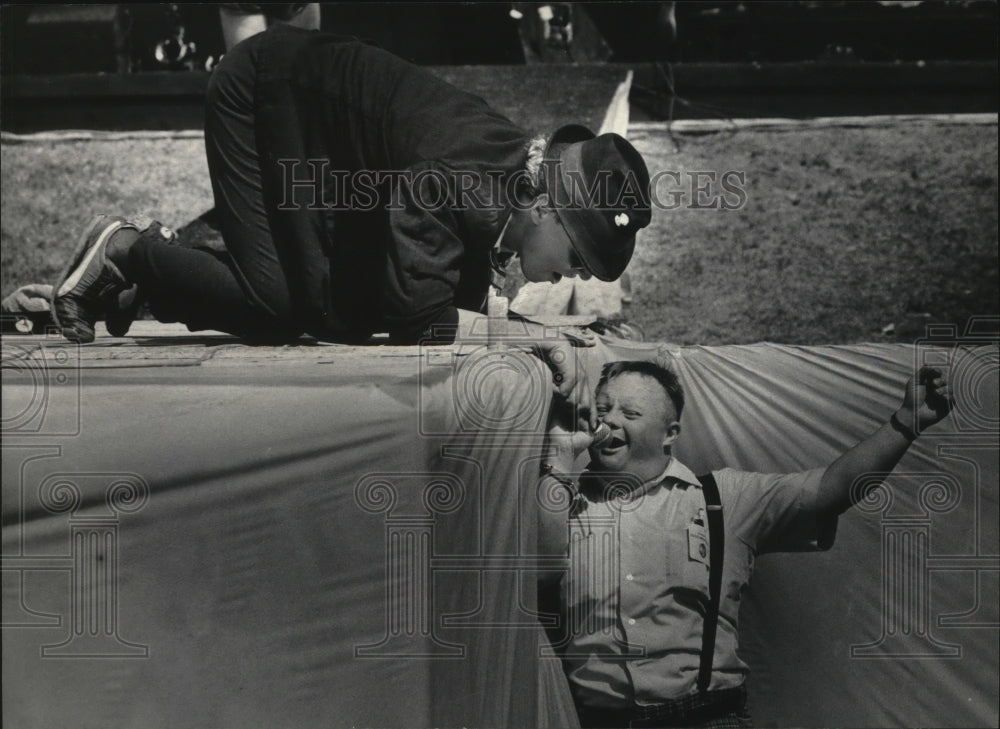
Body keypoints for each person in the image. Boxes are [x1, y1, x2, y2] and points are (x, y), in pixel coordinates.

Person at [49, 23, 651, 410]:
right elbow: (421, 325)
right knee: (289, 305)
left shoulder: (511, 180)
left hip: (318, 134)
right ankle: (125, 249)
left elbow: (455, 306)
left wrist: (523, 332)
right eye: (577, 257)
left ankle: (150, 282)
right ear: (543, 206)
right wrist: (537, 338)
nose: (571, 276)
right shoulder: (460, 181)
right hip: (262, 94)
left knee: (340, 308)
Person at [539, 359, 953, 728]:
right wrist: (556, 468)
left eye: (629, 413)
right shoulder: (557, 500)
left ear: (670, 433)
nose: (609, 422)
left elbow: (830, 489)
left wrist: (905, 422)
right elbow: (534, 574)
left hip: (709, 718)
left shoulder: (724, 498)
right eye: (604, 408)